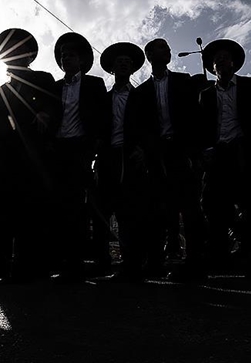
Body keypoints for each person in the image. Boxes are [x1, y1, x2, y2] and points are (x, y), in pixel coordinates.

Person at [0, 28, 59, 282]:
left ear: (29, 55)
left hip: (33, 157)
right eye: (7, 50)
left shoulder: (43, 78)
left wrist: (45, 113)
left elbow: (54, 103)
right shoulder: (1, 90)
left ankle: (28, 264)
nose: (12, 54)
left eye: (18, 49)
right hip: (6, 158)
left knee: (30, 210)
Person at [197, 39, 251, 277]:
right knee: (212, 203)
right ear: (212, 67)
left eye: (225, 57)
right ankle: (219, 255)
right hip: (218, 153)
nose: (220, 61)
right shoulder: (206, 95)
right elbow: (202, 128)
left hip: (245, 150)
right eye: (216, 59)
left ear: (233, 63)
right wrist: (204, 151)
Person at [125, 38, 202, 281]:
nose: (168, 50)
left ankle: (195, 263)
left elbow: (194, 118)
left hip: (181, 152)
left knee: (190, 208)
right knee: (158, 210)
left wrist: (193, 152)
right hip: (155, 155)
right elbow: (135, 126)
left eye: (168, 47)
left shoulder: (183, 82)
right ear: (149, 55)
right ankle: (156, 262)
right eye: (162, 48)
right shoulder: (140, 92)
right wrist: (144, 151)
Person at [50, 32, 109, 282]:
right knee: (62, 206)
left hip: (82, 150)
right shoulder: (54, 87)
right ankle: (65, 260)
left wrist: (94, 148)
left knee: (83, 206)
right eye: (63, 55)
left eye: (71, 55)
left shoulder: (94, 84)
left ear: (81, 59)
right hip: (58, 150)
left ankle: (85, 261)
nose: (66, 59)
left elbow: (104, 118)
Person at [96, 42, 148, 282]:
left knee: (130, 212)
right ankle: (102, 262)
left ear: (133, 68)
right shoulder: (102, 99)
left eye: (128, 62)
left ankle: (132, 265)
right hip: (107, 158)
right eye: (119, 62)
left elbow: (152, 126)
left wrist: (143, 150)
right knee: (102, 211)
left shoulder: (141, 97)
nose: (123, 65)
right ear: (112, 69)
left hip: (131, 158)